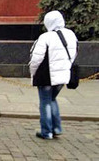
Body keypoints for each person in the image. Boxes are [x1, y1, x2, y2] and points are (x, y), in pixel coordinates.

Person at [29, 10, 77, 140]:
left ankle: (47, 132)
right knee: (52, 99)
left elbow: (36, 59)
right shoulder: (71, 35)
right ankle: (56, 128)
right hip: (63, 75)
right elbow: (74, 54)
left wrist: (33, 73)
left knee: (45, 102)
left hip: (46, 76)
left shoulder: (46, 37)